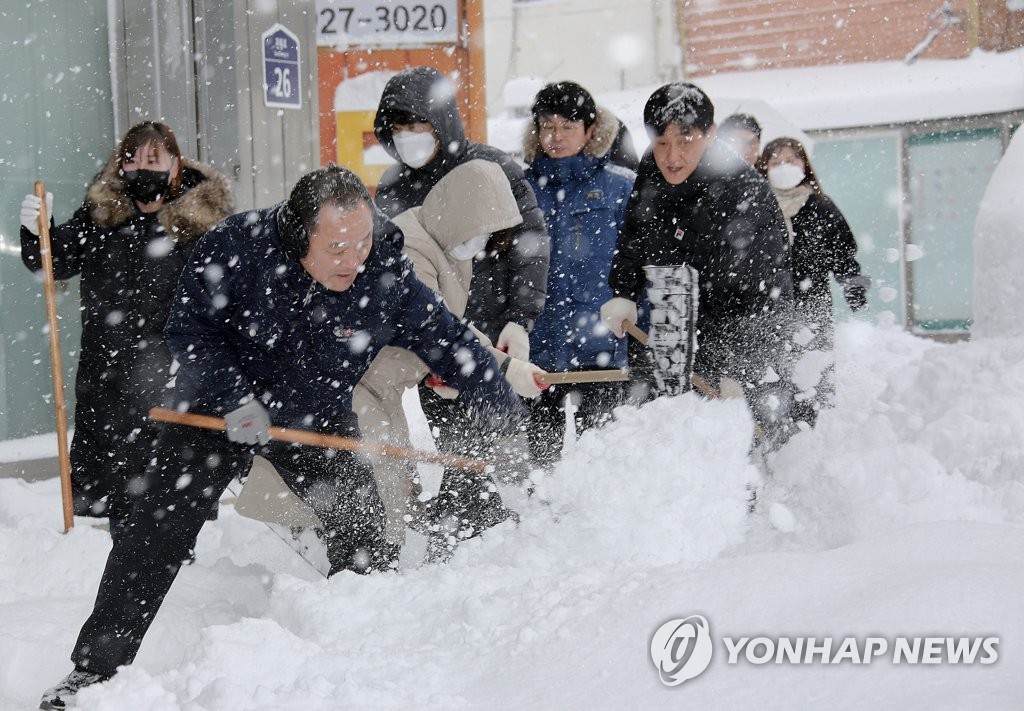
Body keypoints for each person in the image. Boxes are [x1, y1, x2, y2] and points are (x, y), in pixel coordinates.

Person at [38, 165, 530, 710]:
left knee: (361, 527)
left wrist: (506, 425)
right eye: (338, 247)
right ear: (299, 237)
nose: (355, 259)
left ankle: (369, 669)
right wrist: (233, 398)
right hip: (215, 415)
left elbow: (450, 343)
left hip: (311, 414)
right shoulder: (235, 248)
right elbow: (187, 329)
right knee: (155, 533)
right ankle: (94, 672)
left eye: (362, 241)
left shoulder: (384, 269)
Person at [19, 121, 233, 541]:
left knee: (169, 493)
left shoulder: (203, 230)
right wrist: (37, 230)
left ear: (176, 165)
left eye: (154, 159)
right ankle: (132, 569)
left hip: (173, 384)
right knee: (121, 492)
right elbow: (53, 261)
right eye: (132, 160)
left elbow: (227, 304)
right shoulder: (102, 219)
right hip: (108, 380)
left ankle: (177, 570)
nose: (142, 168)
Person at [373, 65, 549, 533]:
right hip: (432, 331)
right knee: (451, 426)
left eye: (419, 127)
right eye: (399, 130)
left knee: (499, 421)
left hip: (492, 323)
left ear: (443, 124)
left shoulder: (494, 169)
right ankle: (464, 503)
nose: (409, 139)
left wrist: (520, 317)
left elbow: (529, 244)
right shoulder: (392, 186)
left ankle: (502, 508)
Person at [353, 159, 546, 550]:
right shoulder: (412, 247)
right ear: (459, 213)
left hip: (384, 385)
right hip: (360, 384)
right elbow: (436, 329)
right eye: (480, 230)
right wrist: (501, 369)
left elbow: (450, 329)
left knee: (388, 494)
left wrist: (504, 367)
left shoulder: (448, 246)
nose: (483, 243)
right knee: (367, 494)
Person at [600, 83, 795, 450]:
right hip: (671, 309)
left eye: (685, 139)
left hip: (742, 327)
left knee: (732, 448)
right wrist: (624, 291)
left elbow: (758, 290)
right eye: (661, 141)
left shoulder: (743, 191)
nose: (672, 156)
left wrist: (737, 368)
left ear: (711, 134)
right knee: (665, 434)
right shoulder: (651, 169)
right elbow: (635, 234)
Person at [521, 81, 636, 468]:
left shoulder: (621, 188)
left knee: (600, 465)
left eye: (568, 125)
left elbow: (640, 267)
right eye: (547, 125)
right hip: (537, 351)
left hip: (600, 350)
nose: (556, 136)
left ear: (591, 131)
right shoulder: (518, 190)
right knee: (539, 470)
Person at [756, 136, 869, 427]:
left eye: (791, 160)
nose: (784, 166)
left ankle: (809, 433)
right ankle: (771, 434)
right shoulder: (757, 205)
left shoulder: (820, 206)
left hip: (812, 306)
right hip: (767, 310)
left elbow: (842, 251)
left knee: (811, 378)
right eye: (776, 161)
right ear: (764, 166)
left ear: (804, 165)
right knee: (771, 378)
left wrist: (853, 286)